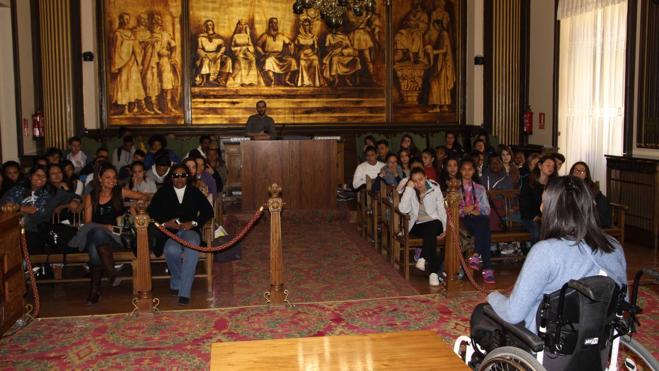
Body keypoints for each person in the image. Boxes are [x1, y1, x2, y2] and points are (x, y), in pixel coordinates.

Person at [470, 176, 627, 348]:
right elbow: (622, 300)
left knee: (481, 313)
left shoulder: (546, 251)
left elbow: (513, 314)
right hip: (597, 340)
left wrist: (493, 296)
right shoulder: (614, 246)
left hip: (549, 344)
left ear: (555, 209)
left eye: (544, 202)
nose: (540, 207)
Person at [77, 163, 145, 303]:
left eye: (114, 177)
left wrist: (137, 205)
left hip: (115, 237)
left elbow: (143, 196)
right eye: (107, 177)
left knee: (95, 246)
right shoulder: (91, 196)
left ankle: (96, 288)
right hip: (94, 235)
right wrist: (104, 226)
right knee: (97, 234)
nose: (112, 180)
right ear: (100, 179)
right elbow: (88, 222)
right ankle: (110, 273)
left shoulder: (120, 192)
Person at [148, 164, 213, 305]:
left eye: (183, 175)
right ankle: (177, 280)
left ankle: (185, 291)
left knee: (192, 246)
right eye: (176, 175)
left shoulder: (193, 191)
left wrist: (194, 222)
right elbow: (152, 213)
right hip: (170, 233)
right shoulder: (163, 192)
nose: (179, 179)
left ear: (187, 177)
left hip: (190, 231)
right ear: (171, 177)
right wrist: (166, 223)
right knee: (171, 250)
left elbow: (208, 211)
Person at [1, 166, 81, 253]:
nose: (40, 178)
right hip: (12, 228)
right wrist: (21, 208)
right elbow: (2, 205)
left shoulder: (52, 193)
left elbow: (75, 196)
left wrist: (75, 201)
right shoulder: (16, 190)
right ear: (30, 176)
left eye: (44, 176)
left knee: (31, 236)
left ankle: (33, 265)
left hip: (36, 230)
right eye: (37, 175)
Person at [398, 167, 447, 286]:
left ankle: (424, 258)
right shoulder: (410, 189)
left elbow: (441, 209)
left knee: (432, 226)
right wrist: (409, 188)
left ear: (425, 177)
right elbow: (402, 209)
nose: (418, 183)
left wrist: (445, 228)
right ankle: (433, 273)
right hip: (417, 224)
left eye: (420, 179)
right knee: (430, 237)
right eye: (414, 181)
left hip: (435, 222)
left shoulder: (435, 188)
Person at [457, 159, 494, 284]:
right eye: (464, 169)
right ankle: (487, 268)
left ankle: (477, 255)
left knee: (483, 222)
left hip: (478, 218)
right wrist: (465, 210)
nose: (467, 172)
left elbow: (487, 209)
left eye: (470, 169)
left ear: (474, 171)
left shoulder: (480, 188)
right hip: (463, 220)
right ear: (460, 171)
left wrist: (474, 208)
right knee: (484, 227)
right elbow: (452, 211)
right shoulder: (455, 188)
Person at [110, 13, 148, 115]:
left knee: (135, 83)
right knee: (125, 84)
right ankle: (125, 108)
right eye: (125, 19)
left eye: (128, 19)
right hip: (124, 63)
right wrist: (131, 44)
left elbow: (136, 47)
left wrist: (140, 46)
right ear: (121, 20)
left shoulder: (131, 33)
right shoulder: (118, 34)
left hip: (133, 62)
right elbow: (117, 50)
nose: (127, 21)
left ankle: (139, 106)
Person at [142, 13, 178, 114]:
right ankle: (155, 106)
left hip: (164, 60)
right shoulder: (148, 35)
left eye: (158, 20)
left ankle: (169, 106)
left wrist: (172, 57)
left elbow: (173, 46)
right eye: (154, 21)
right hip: (151, 62)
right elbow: (142, 49)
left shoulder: (165, 34)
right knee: (153, 83)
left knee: (167, 83)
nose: (156, 23)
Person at [519, 155, 556, 245]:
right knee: (537, 232)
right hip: (530, 217)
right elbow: (525, 206)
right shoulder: (528, 182)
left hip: (549, 218)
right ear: (539, 166)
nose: (551, 168)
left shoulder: (554, 184)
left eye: (553, 166)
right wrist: (539, 219)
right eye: (548, 165)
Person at [256, 17, 298, 86]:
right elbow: (257, 46)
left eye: (276, 23)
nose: (275, 24)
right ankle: (271, 81)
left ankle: (286, 80)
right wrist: (263, 54)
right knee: (268, 61)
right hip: (270, 56)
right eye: (273, 23)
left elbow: (290, 43)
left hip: (280, 56)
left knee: (292, 61)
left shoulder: (281, 36)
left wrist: (291, 49)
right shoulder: (265, 36)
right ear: (270, 24)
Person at [425, 18, 455, 112]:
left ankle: (437, 106)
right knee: (441, 84)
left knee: (437, 83)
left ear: (439, 25)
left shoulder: (444, 34)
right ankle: (444, 105)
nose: (435, 28)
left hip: (443, 63)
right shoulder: (442, 34)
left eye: (435, 26)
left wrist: (433, 52)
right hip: (441, 62)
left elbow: (445, 50)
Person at [570, 162, 612, 228]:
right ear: (572, 173)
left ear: (586, 175)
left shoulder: (592, 186)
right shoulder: (567, 185)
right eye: (576, 170)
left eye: (582, 171)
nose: (578, 173)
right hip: (574, 214)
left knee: (602, 199)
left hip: (591, 214)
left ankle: (601, 224)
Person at [195, 19, 232, 86]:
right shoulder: (201, 37)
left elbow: (223, 47)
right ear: (205, 26)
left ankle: (221, 79)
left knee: (228, 59)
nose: (209, 26)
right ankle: (206, 80)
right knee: (206, 60)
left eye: (211, 25)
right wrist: (206, 55)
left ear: (213, 26)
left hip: (216, 54)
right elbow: (199, 49)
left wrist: (219, 54)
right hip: (206, 54)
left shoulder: (218, 37)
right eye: (207, 25)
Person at [227, 19, 262, 87]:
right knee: (240, 61)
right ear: (238, 25)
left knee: (252, 59)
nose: (242, 26)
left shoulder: (247, 36)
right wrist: (240, 49)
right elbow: (232, 47)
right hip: (239, 53)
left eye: (244, 24)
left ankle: (251, 80)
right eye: (241, 24)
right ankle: (243, 81)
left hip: (247, 52)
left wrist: (248, 49)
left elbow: (251, 46)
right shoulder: (235, 36)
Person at [295, 19, 323, 87]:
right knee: (302, 63)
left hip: (311, 54)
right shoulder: (299, 37)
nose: (306, 27)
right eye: (304, 25)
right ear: (302, 26)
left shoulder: (313, 36)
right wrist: (300, 52)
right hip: (302, 54)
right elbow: (296, 49)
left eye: (307, 25)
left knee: (315, 60)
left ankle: (314, 82)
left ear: (309, 26)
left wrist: (312, 53)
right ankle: (304, 82)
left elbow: (316, 49)